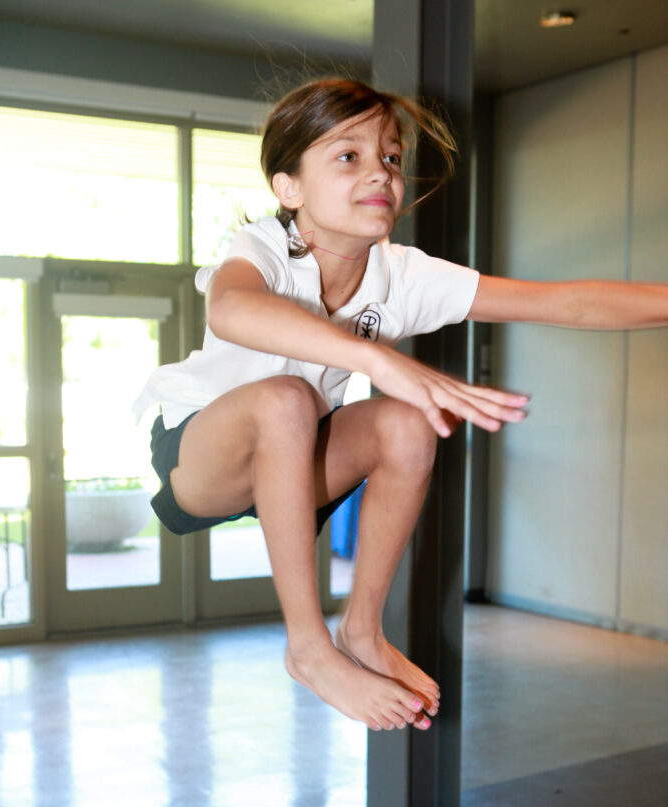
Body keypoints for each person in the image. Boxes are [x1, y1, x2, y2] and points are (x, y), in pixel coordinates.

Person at [134, 78, 667, 734]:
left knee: (406, 424)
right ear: (289, 188)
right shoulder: (264, 246)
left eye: (389, 157)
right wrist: (379, 360)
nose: (380, 173)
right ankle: (307, 647)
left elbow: (565, 302)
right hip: (202, 456)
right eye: (348, 157)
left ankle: (361, 630)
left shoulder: (403, 274)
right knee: (285, 398)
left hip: (299, 463)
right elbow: (235, 308)